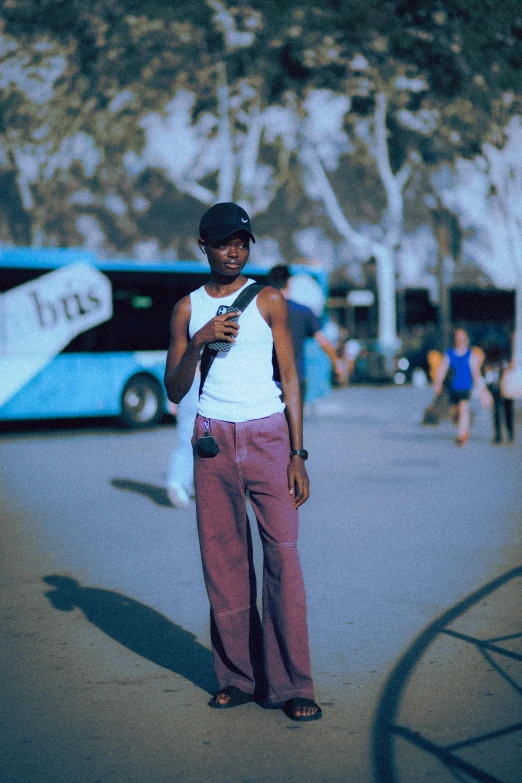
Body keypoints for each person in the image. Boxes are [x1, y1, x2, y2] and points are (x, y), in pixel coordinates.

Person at [164, 202, 321, 722]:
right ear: (202, 245)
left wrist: (298, 453)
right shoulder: (187, 309)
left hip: (269, 438)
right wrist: (201, 341)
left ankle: (293, 683)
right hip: (212, 442)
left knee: (284, 561)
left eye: (242, 241)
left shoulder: (270, 301)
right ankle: (236, 676)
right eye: (223, 242)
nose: (234, 250)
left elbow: (291, 378)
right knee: (224, 565)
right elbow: (174, 387)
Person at [267, 264, 345, 402]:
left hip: (267, 378)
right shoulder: (303, 311)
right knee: (294, 421)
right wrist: (336, 363)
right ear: (289, 282)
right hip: (295, 377)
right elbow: (323, 341)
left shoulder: (261, 311)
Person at [433, 327, 490, 446]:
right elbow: (442, 369)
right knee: (454, 413)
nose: (459, 340)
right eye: (457, 338)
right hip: (453, 387)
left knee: (464, 409)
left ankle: (461, 434)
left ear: (466, 339)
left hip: (465, 387)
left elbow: (476, 374)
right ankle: (464, 429)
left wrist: (483, 392)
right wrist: (438, 383)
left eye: (462, 338)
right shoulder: (450, 354)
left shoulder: (471, 355)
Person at [165, 373, 199, 507]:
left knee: (187, 439)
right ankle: (178, 482)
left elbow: (175, 362)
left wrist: (172, 397)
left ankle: (178, 482)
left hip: (186, 384)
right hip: (205, 384)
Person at [483, 344, 515, 444]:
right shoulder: (500, 362)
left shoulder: (497, 362)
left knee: (501, 412)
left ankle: (503, 435)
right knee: (504, 412)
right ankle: (505, 434)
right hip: (502, 389)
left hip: (504, 388)